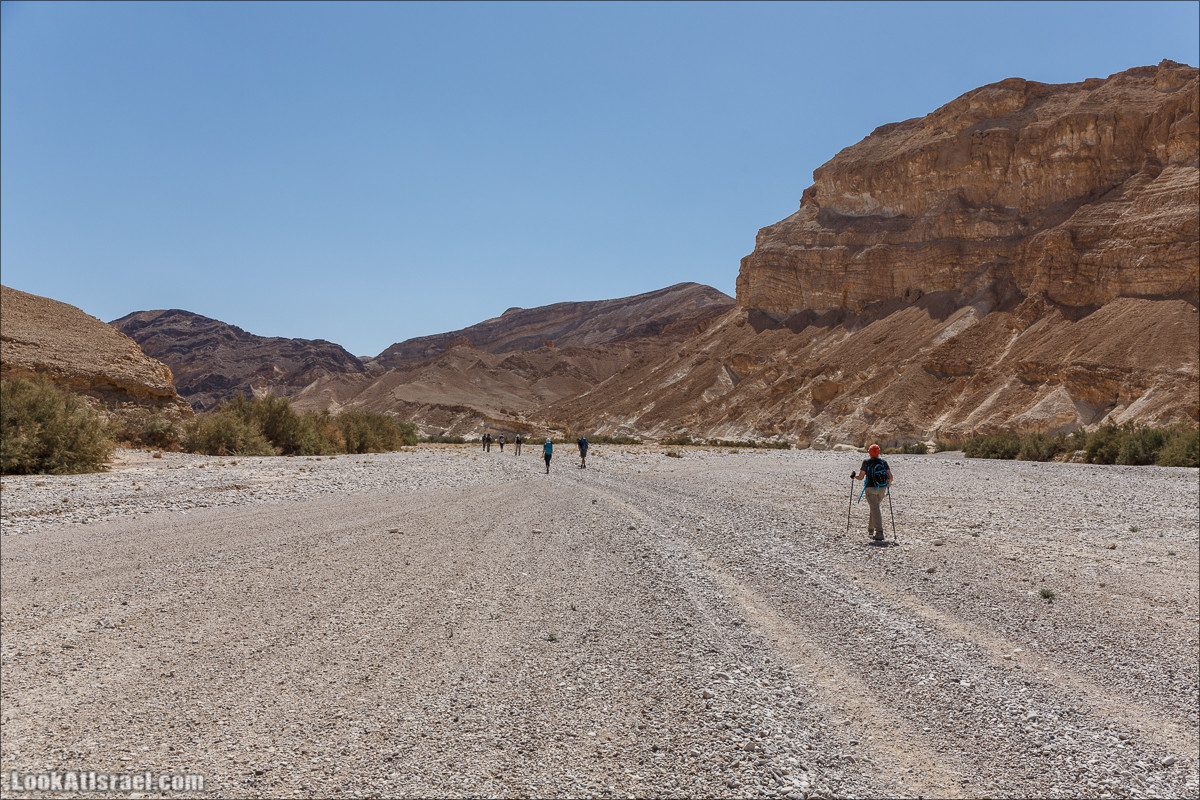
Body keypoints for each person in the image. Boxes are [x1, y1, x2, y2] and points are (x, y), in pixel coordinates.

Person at [853, 444, 893, 541]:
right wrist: (888, 486)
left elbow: (861, 477)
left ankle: (879, 532)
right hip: (882, 488)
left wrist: (853, 476)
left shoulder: (866, 462)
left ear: (869, 452)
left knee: (875, 508)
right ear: (879, 452)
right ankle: (870, 529)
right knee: (874, 507)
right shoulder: (883, 462)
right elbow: (890, 477)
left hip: (870, 489)